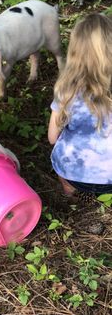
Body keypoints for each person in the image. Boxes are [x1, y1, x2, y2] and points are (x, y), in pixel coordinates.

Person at [48, 12, 112, 196]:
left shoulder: (66, 90)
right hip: (110, 179)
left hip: (74, 175)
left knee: (61, 153)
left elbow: (52, 137)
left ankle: (69, 193)